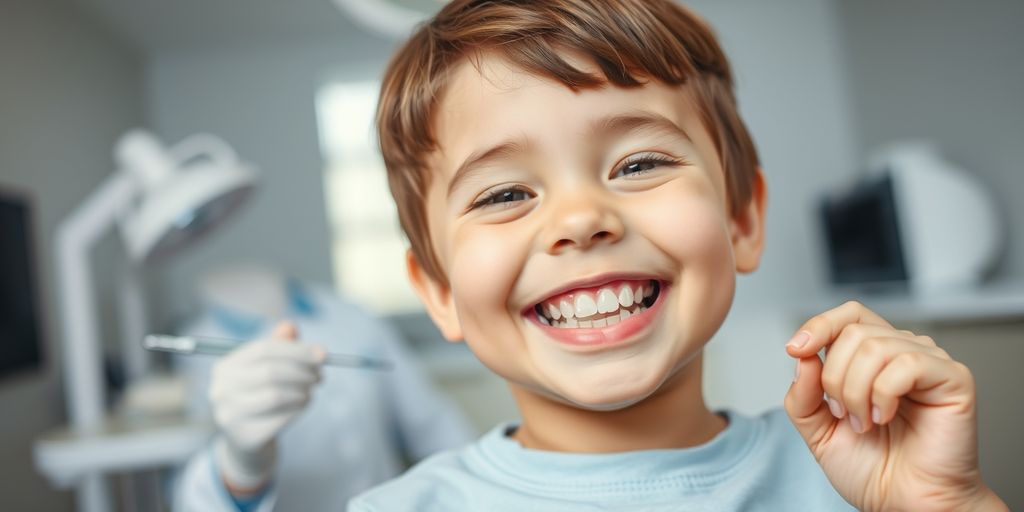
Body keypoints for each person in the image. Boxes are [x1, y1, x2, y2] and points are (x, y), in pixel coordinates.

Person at [348, 0, 1009, 510]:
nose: (580, 220)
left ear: (742, 219)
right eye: (505, 195)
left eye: (639, 164)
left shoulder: (866, 477)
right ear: (438, 290)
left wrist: (947, 502)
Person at [171, 264, 475, 511]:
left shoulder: (350, 314)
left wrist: (478, 489)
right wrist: (241, 464)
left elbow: (433, 423)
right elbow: (192, 499)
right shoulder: (196, 346)